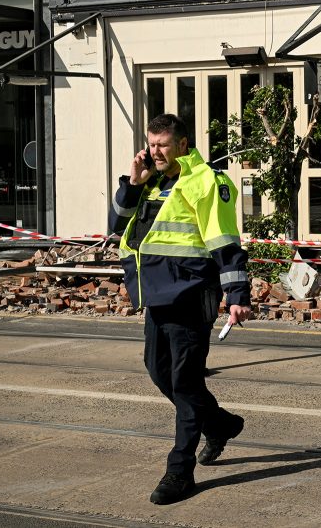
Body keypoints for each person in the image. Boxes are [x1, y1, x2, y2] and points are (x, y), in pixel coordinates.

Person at [108, 113, 252, 505]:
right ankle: (220, 424)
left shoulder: (207, 182)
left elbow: (225, 242)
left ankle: (179, 471)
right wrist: (133, 183)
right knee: (159, 374)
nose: (154, 152)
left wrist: (237, 295)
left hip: (191, 296)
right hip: (156, 296)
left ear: (183, 145)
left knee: (186, 383)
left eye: (162, 145)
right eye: (151, 144)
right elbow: (116, 227)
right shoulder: (150, 182)